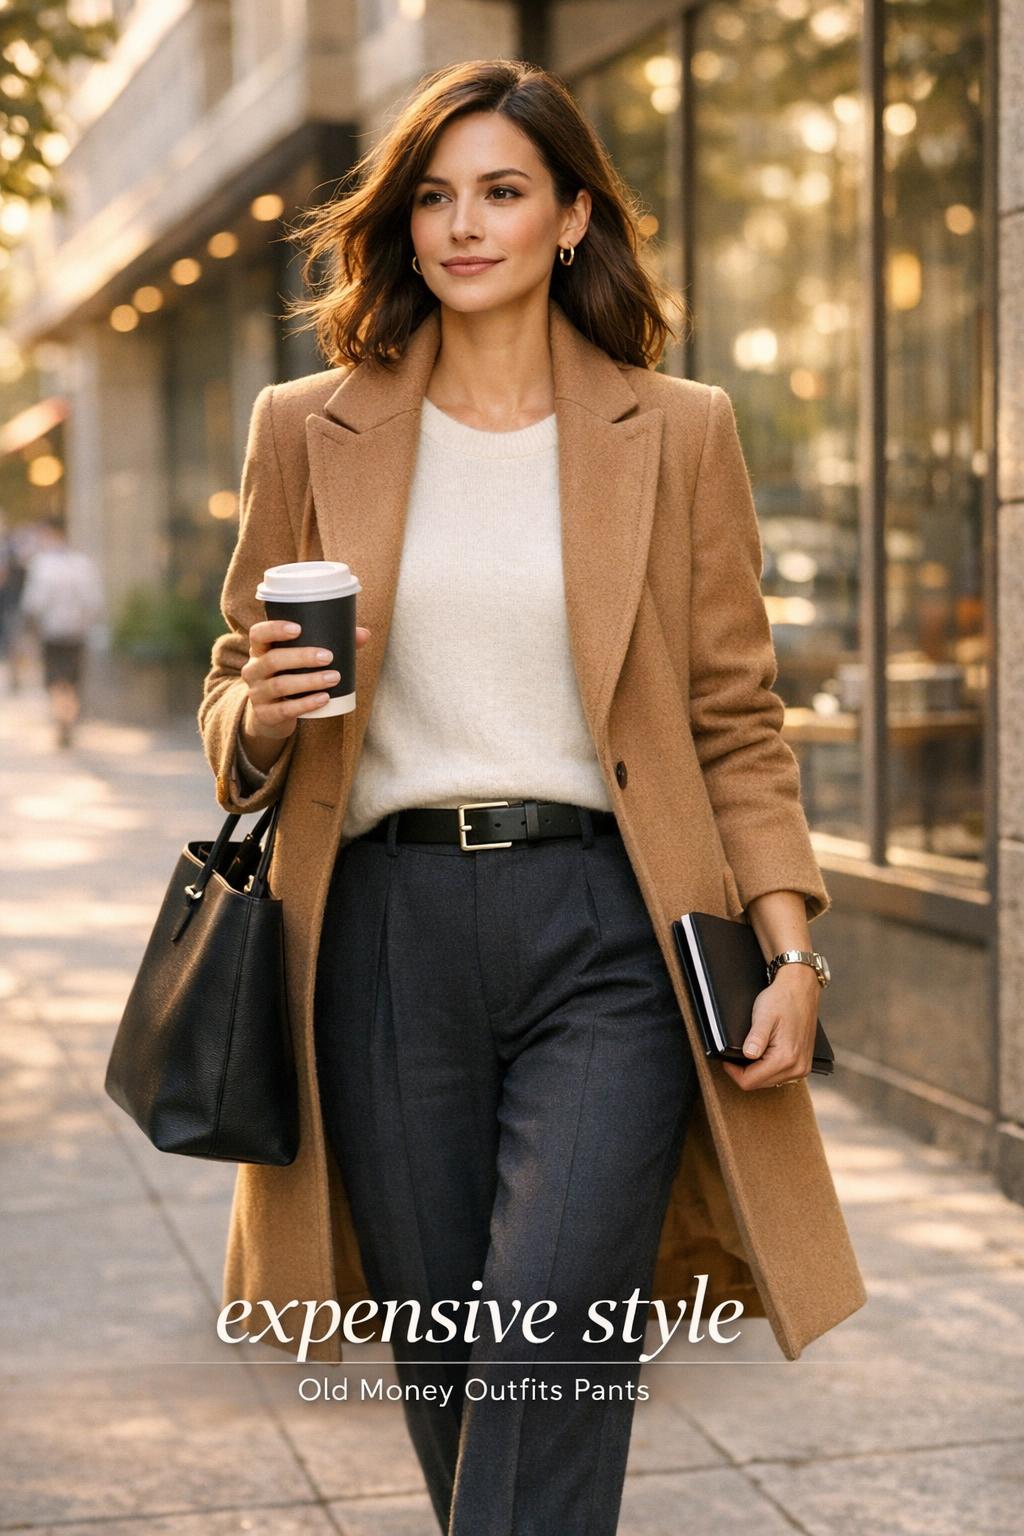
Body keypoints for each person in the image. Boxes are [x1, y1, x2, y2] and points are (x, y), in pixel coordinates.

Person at [199, 58, 858, 1536]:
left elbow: (735, 718)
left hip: (610, 929)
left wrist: (792, 951)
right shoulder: (307, 425)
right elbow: (233, 689)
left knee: (553, 1332)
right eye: (434, 197)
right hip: (379, 932)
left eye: (502, 192)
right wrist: (264, 710)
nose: (463, 225)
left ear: (571, 218)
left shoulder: (677, 430)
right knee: (451, 1358)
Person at [19, 515, 103, 748]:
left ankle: (62, 719)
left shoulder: (43, 564)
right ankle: (68, 718)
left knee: (56, 680)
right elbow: (93, 600)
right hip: (77, 631)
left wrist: (31, 627)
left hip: (52, 631)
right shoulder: (82, 564)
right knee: (73, 680)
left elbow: (35, 602)